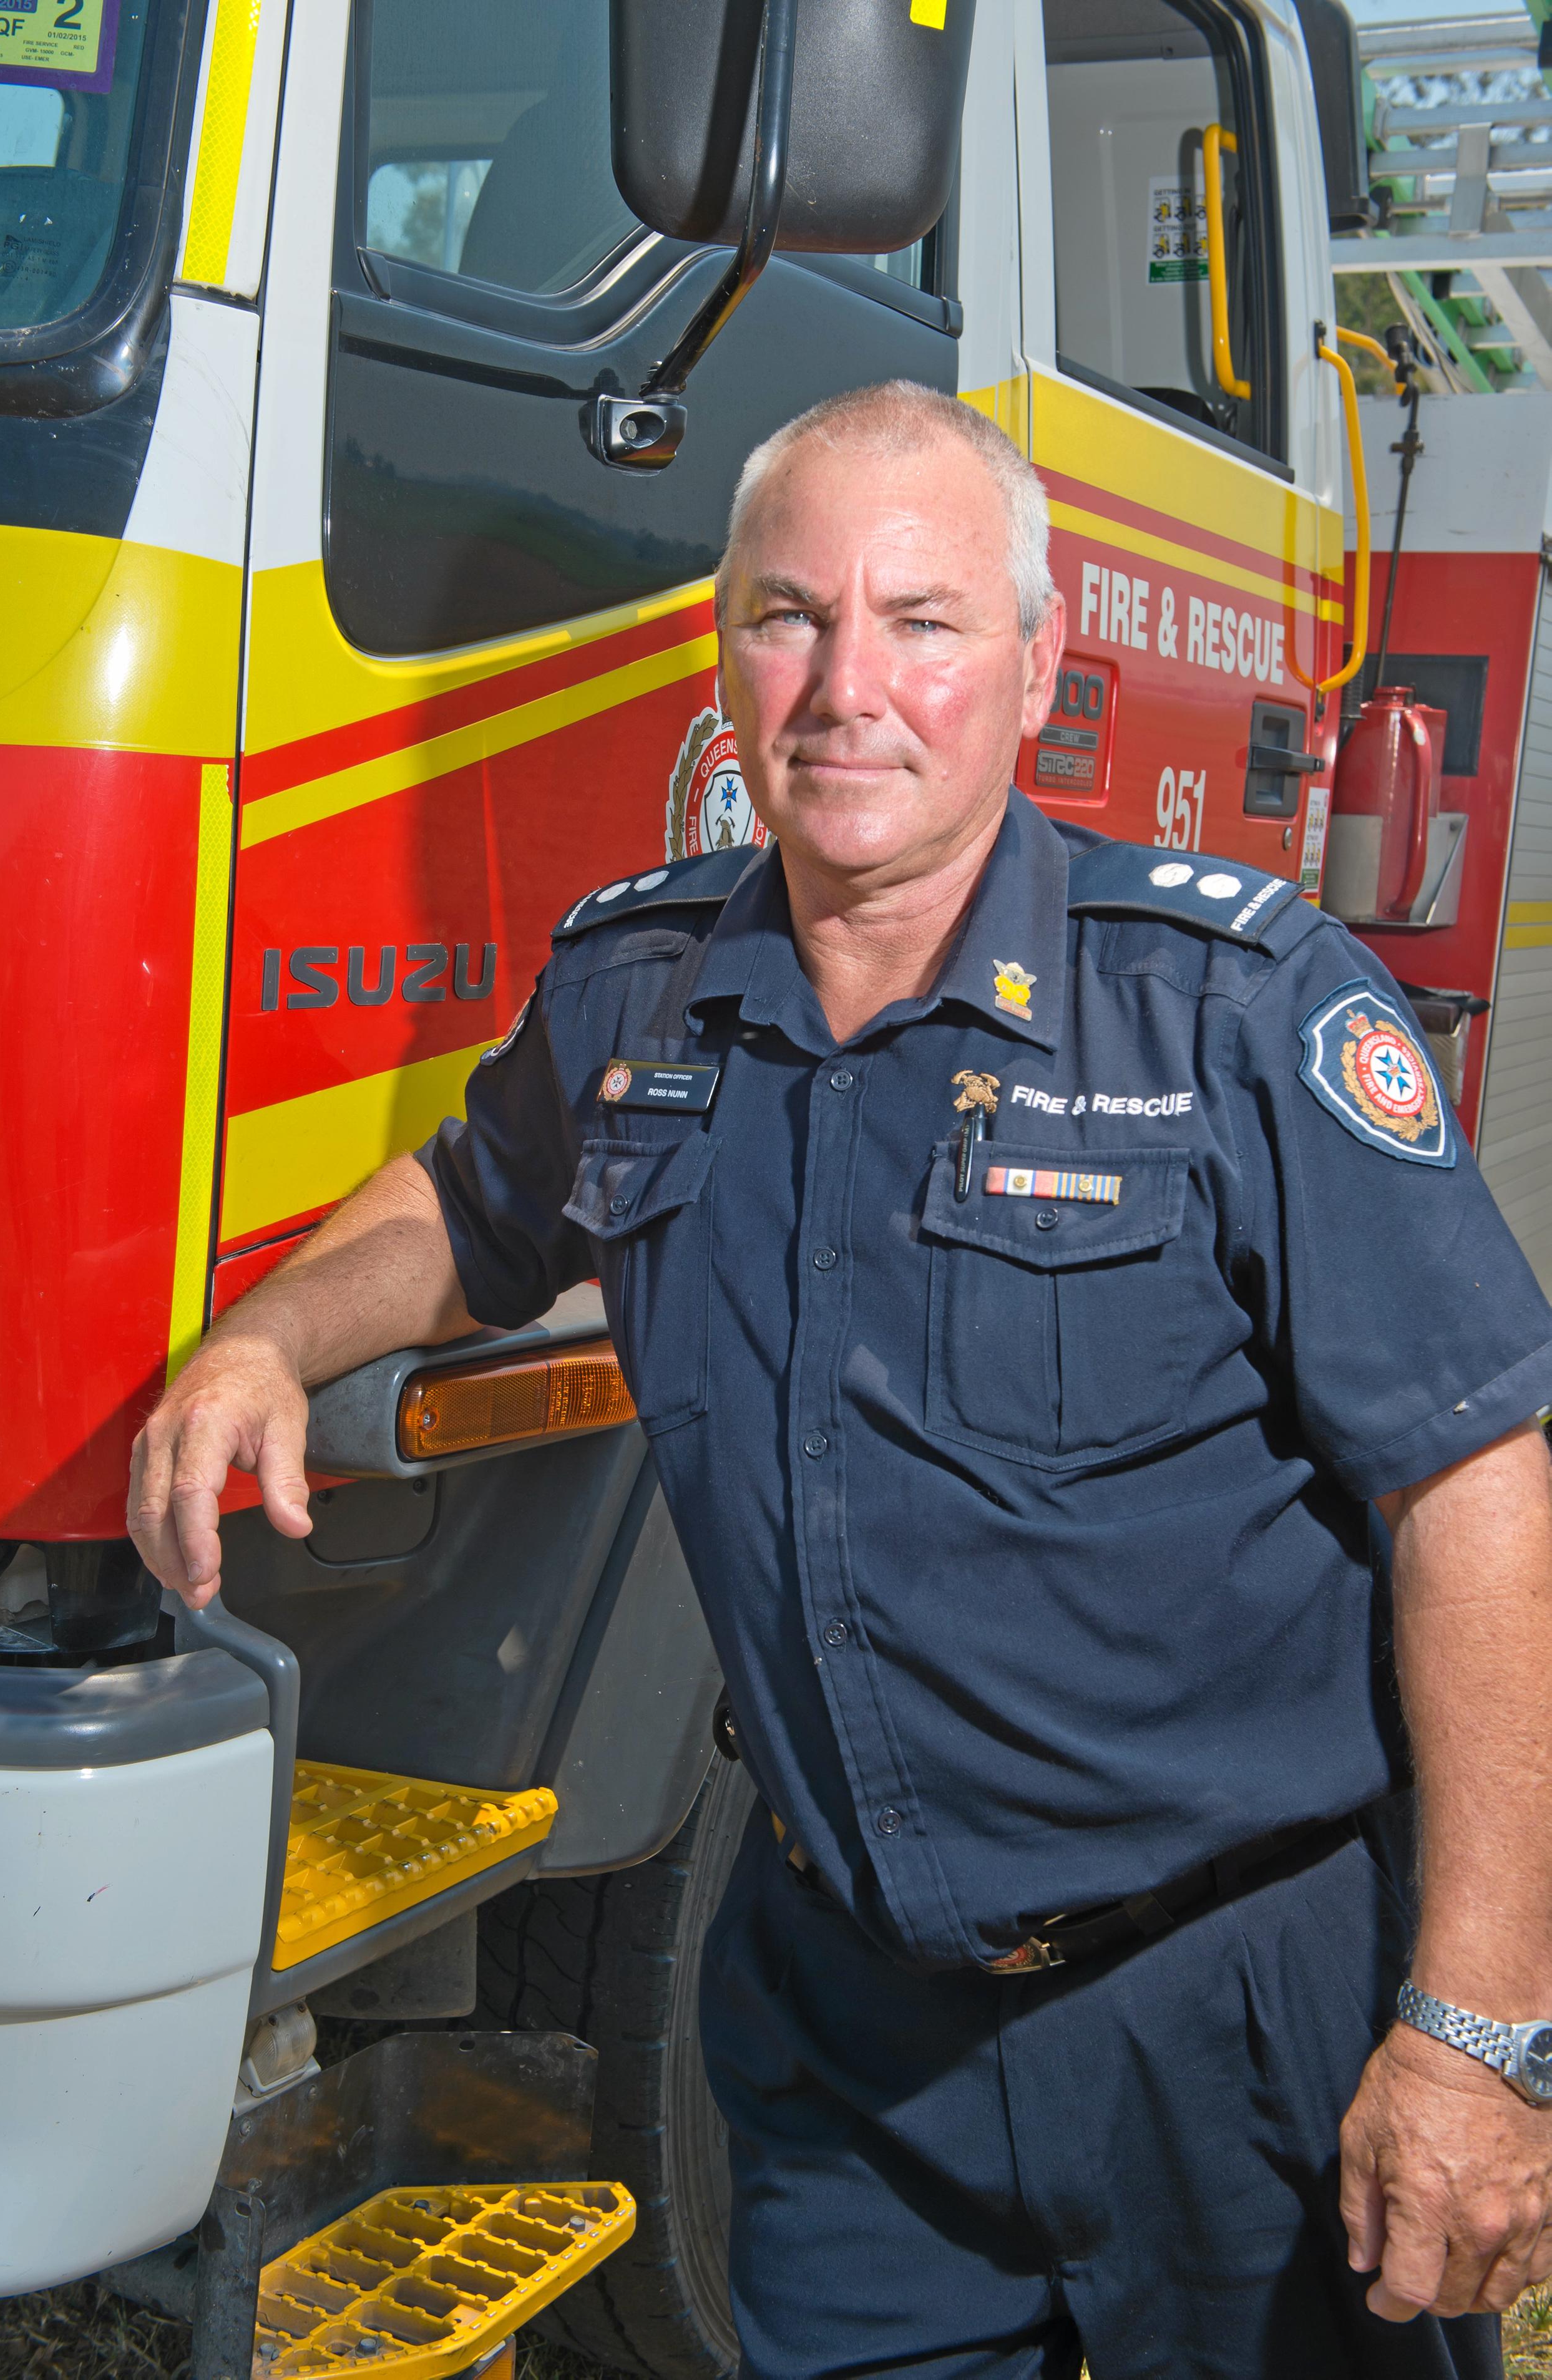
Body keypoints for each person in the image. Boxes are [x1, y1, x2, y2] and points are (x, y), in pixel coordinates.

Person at [131, 382, 1552, 2379]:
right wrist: (267, 1338)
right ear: (720, 647)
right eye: (788, 617)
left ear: (1038, 666)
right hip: (841, 2042)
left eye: (921, 622)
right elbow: (466, 1205)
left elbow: (1475, 1492)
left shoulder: (1229, 1004)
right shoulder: (640, 984)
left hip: (1231, 2028)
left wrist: (1479, 2034)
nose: (842, 687)